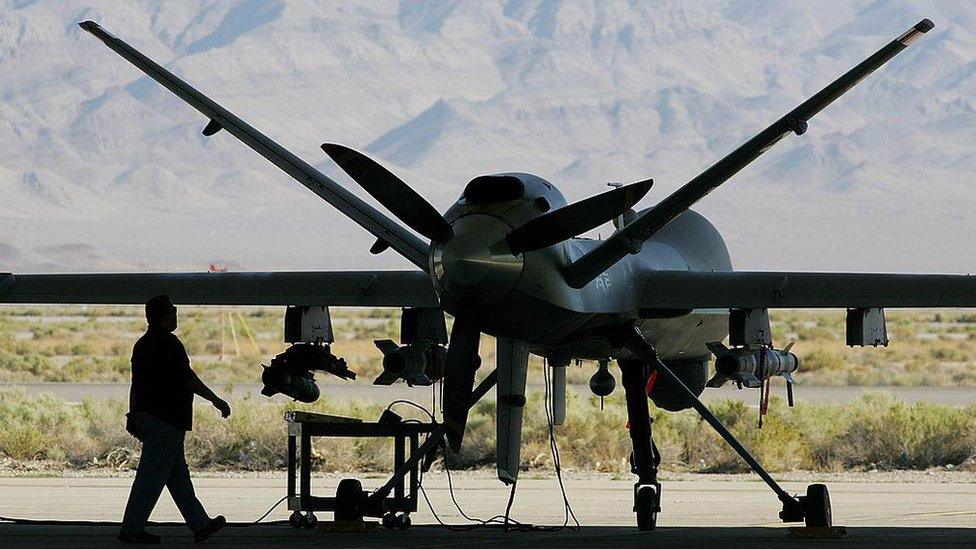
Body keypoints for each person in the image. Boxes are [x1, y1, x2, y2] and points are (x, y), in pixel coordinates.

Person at [119, 295, 232, 544]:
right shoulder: (170, 344)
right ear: (166, 315)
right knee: (150, 478)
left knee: (178, 477)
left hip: (150, 419)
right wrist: (216, 400)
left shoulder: (142, 344)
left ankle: (200, 524)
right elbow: (187, 379)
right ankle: (131, 528)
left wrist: (133, 413)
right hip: (166, 422)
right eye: (173, 311)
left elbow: (136, 384)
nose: (175, 315)